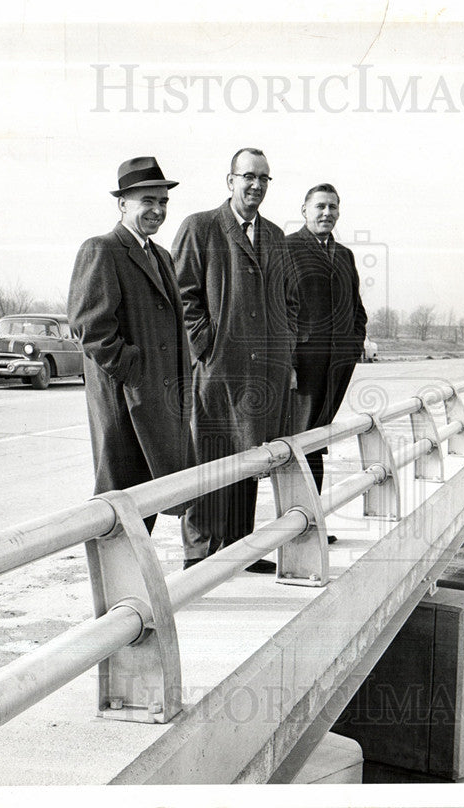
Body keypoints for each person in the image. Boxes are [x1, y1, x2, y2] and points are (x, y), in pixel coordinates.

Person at [173, 147, 298, 572]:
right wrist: (205, 346)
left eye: (264, 178)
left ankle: (241, 551)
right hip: (216, 368)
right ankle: (200, 553)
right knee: (210, 456)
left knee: (250, 456)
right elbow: (183, 294)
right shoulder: (201, 227)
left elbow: (290, 301)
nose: (256, 185)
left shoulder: (277, 236)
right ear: (230, 181)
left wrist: (284, 349)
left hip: (264, 373)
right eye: (248, 176)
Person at [67, 155, 192, 538]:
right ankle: (116, 594)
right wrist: (135, 371)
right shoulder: (102, 249)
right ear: (123, 203)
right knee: (119, 506)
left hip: (161, 400)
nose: (157, 210)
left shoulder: (162, 256)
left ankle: (135, 591)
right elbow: (90, 328)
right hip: (125, 405)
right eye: (147, 201)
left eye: (163, 202)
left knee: (149, 499)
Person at [286, 184, 367, 544]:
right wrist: (286, 362)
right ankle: (295, 527)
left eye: (333, 207)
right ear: (304, 209)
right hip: (302, 366)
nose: (327, 213)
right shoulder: (287, 248)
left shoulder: (345, 255)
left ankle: (311, 522)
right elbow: (279, 310)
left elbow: (357, 307)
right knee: (299, 443)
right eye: (320, 206)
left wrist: (355, 342)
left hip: (337, 367)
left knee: (317, 441)